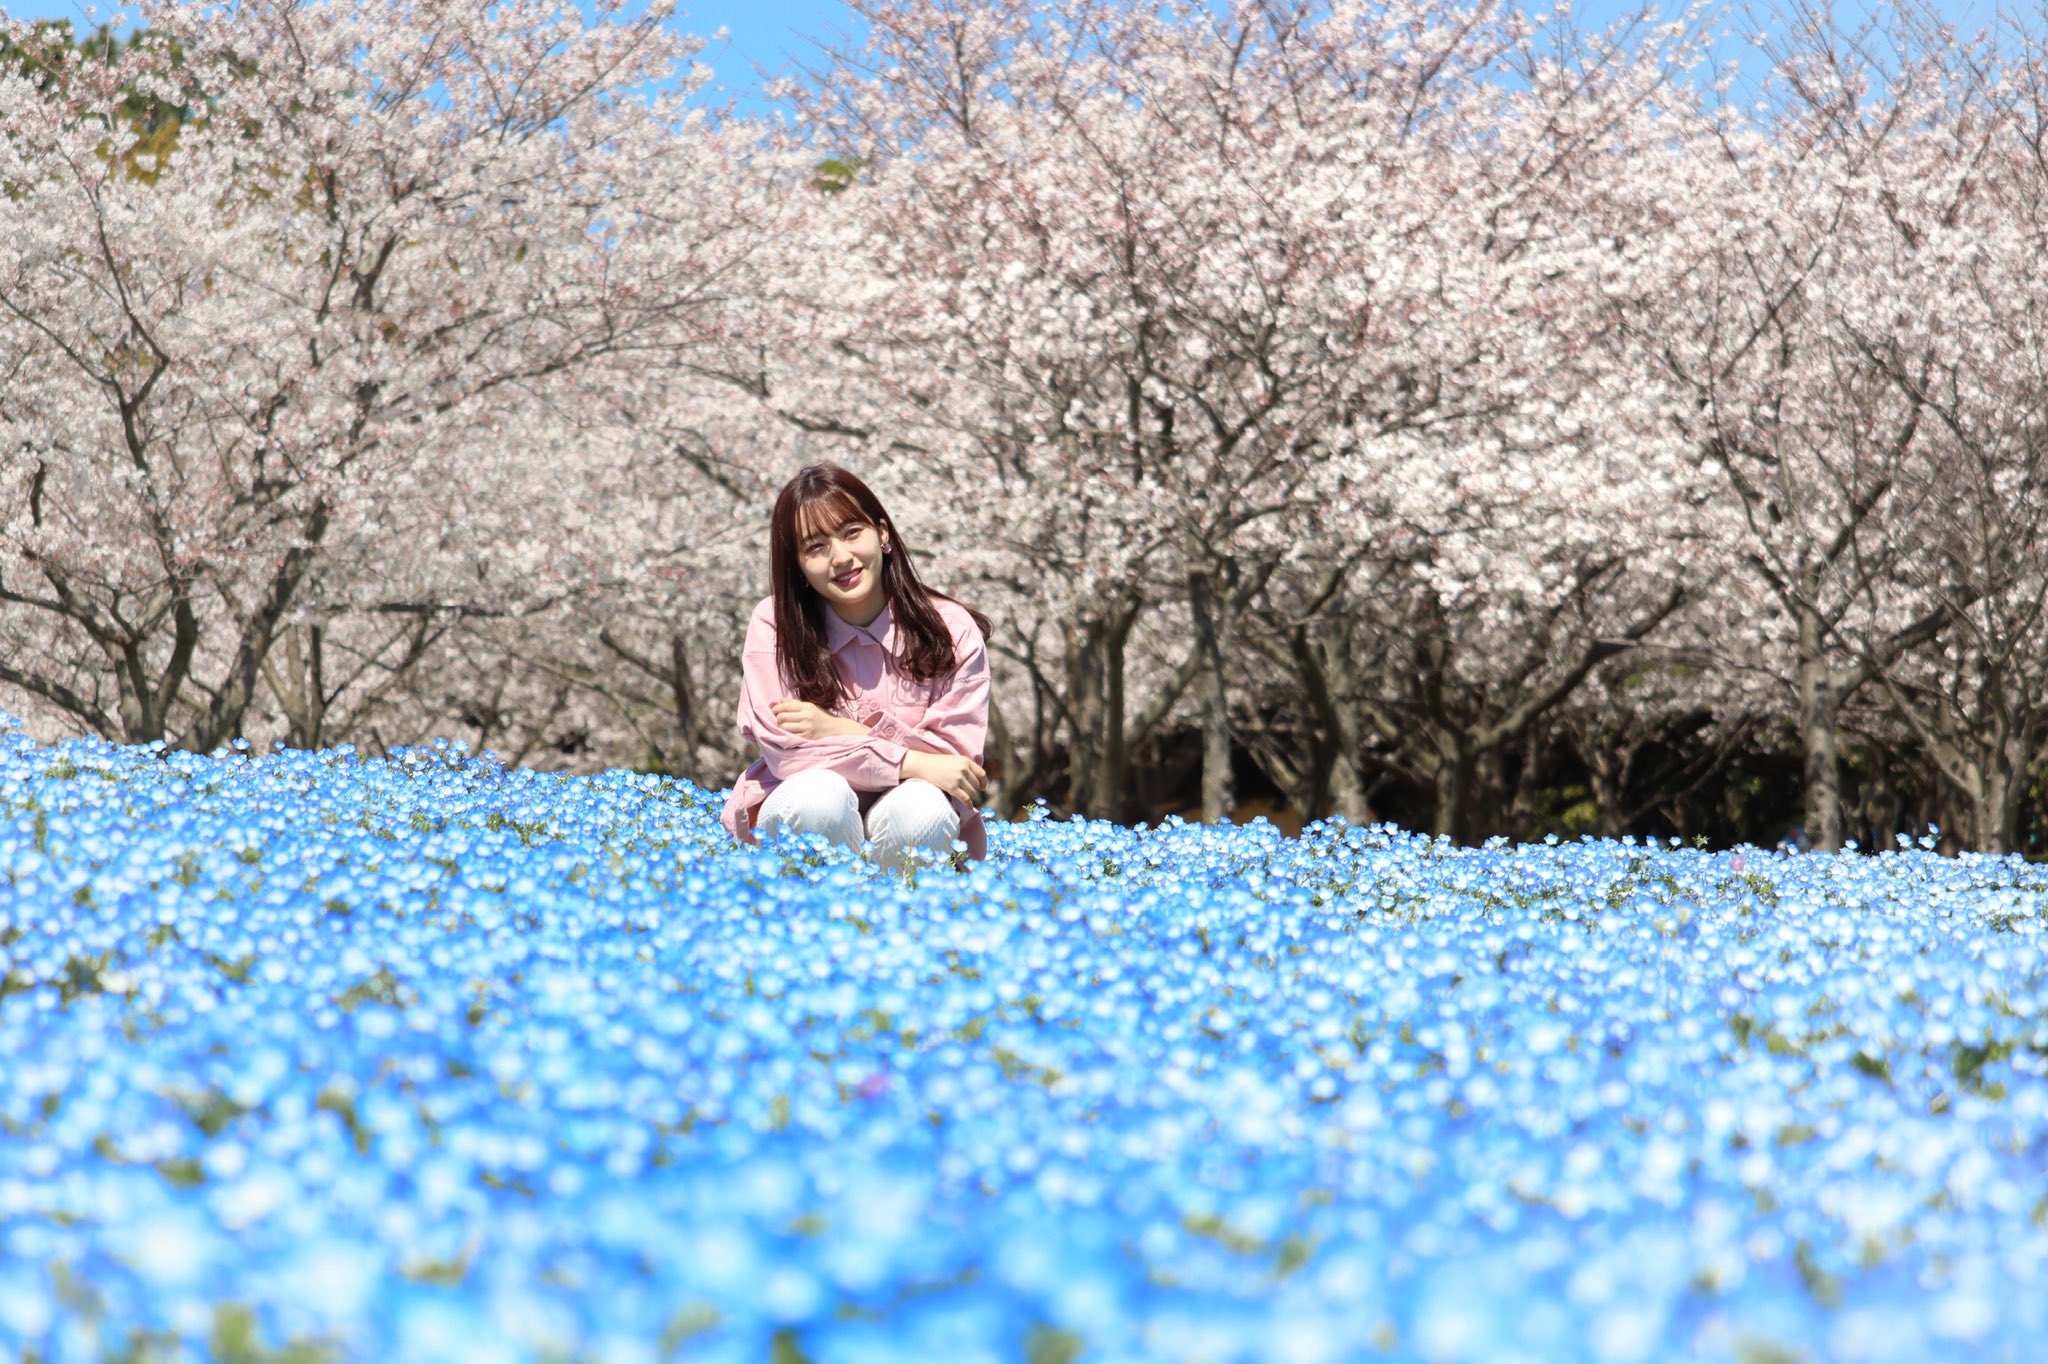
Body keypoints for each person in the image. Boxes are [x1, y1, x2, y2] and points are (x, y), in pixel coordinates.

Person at [720, 463, 994, 871]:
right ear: (797, 564)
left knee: (922, 809)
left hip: (911, 803)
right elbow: (788, 754)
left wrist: (840, 730)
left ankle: (898, 927)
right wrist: (912, 761)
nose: (841, 558)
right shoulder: (775, 625)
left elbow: (954, 766)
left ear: (882, 533)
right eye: (816, 547)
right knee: (820, 796)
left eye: (852, 533)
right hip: (809, 804)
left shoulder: (949, 630)